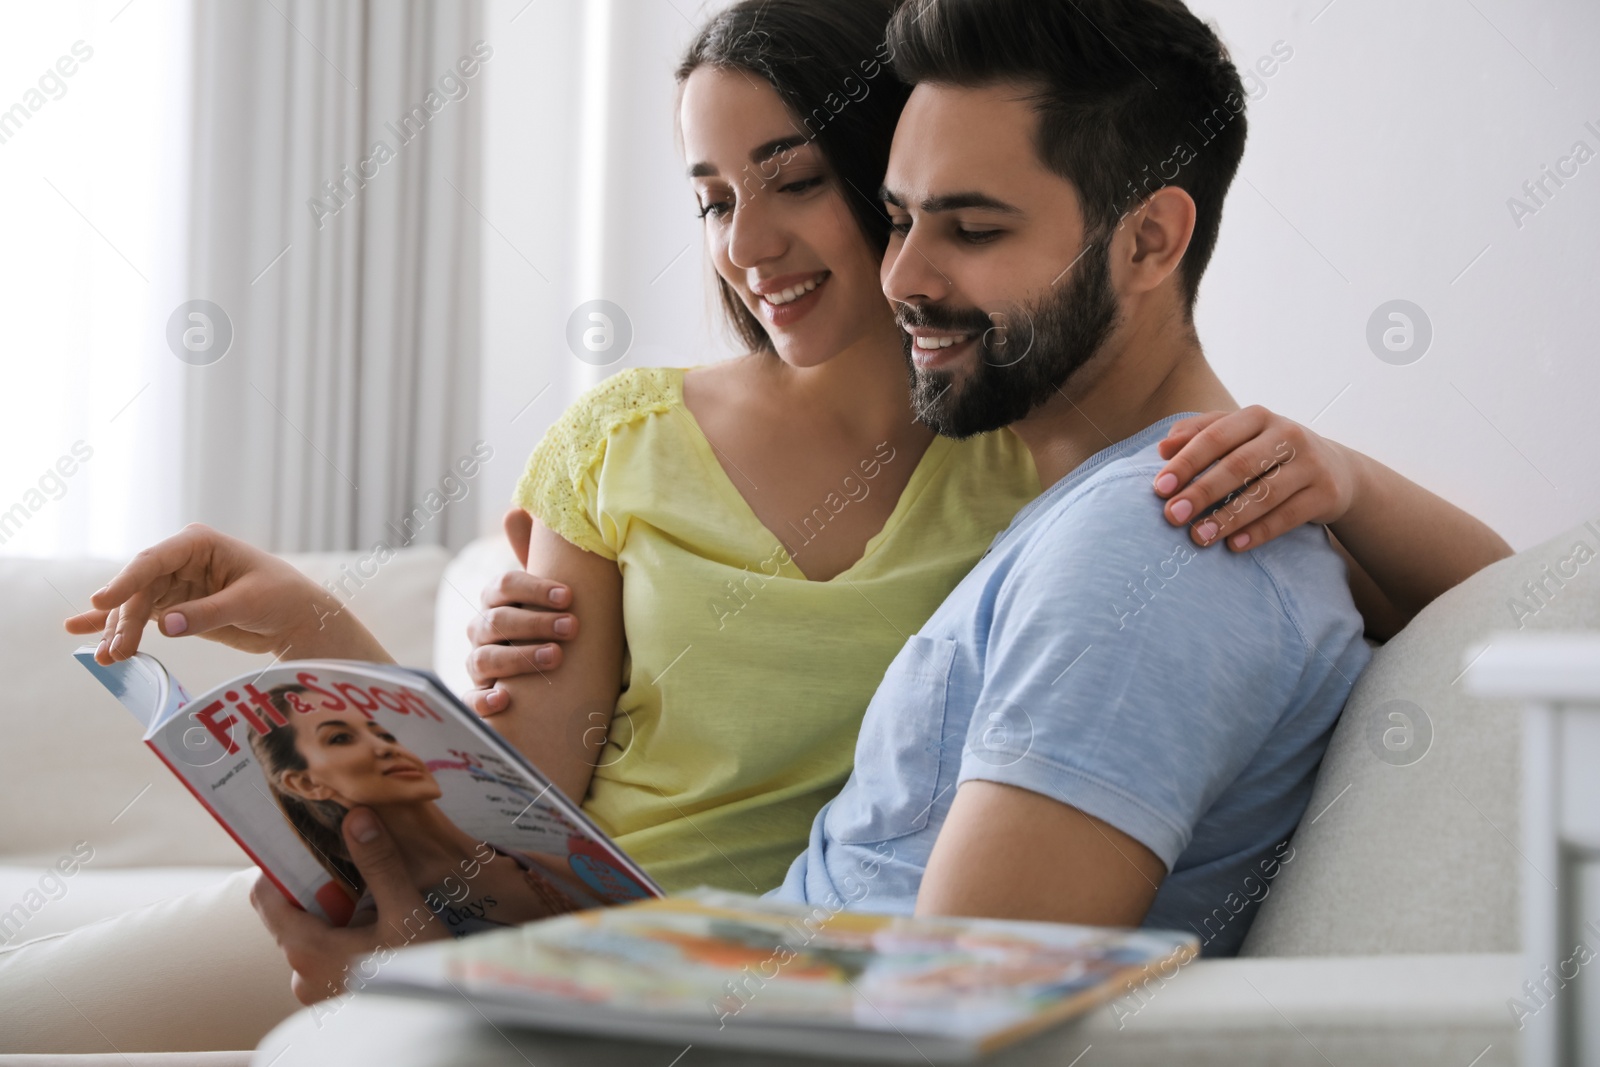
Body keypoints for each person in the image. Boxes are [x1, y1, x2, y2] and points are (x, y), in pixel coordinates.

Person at [14, 0, 1507, 1039]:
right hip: (646, 960)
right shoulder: (1096, 491)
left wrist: (436, 990)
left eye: (965, 225)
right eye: (906, 214)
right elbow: (1506, 633)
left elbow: (934, 1007)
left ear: (1148, 239)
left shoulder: (1152, 529)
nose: (908, 271)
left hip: (686, 999)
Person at [249, 683, 591, 937]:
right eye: (340, 738)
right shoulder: (383, 931)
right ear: (307, 785)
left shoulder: (543, 865)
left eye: (384, 734)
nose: (384, 748)